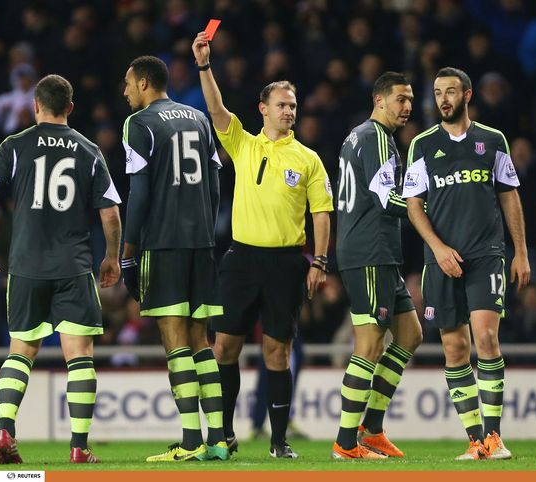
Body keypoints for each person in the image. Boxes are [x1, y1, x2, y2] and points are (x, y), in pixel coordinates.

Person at [192, 32, 334, 458]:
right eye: (282, 105)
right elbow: (216, 108)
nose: (289, 111)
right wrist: (204, 65)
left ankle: (278, 441)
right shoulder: (243, 143)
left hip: (287, 262)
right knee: (225, 347)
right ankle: (224, 434)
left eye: (292, 105)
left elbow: (322, 214)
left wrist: (320, 262)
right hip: (241, 260)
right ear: (263, 110)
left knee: (278, 349)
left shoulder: (308, 158)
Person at [0, 74, 122, 464]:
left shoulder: (14, 145)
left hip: (25, 266)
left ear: (36, 105)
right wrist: (110, 256)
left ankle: (5, 429)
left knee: (20, 351)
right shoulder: (88, 150)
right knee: (80, 355)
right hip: (72, 265)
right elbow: (111, 214)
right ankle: (78, 446)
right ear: (70, 107)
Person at [403, 67, 530, 460]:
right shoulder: (422, 145)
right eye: (438, 92)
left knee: (486, 337)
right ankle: (475, 440)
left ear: (467, 95)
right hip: (440, 260)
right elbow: (413, 206)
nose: (443, 99)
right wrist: (438, 248)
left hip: (486, 254)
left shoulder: (493, 140)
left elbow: (509, 195)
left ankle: (494, 438)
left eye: (451, 91)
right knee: (454, 348)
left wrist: (520, 251)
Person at [120, 55, 226, 462]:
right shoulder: (199, 118)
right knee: (202, 341)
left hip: (163, 245)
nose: (125, 91)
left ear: (145, 82)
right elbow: (215, 184)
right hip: (201, 244)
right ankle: (217, 439)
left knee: (175, 341)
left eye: (129, 84)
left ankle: (190, 440)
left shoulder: (140, 123)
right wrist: (206, 229)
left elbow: (140, 194)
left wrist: (128, 254)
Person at [332, 72, 422, 460]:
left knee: (410, 333)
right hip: (370, 252)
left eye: (410, 100)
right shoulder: (377, 138)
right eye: (400, 99)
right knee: (369, 345)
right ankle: (346, 442)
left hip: (378, 252)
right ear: (380, 100)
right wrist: (426, 209)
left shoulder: (358, 136)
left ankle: (372, 429)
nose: (407, 107)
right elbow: (387, 201)